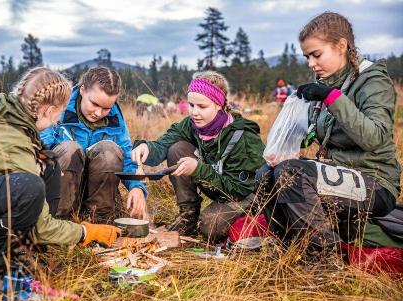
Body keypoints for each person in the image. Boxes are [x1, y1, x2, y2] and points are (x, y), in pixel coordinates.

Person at [0, 67, 120, 293]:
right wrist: (85, 232)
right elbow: (40, 226)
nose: (58, 119)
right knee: (27, 186)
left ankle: (27, 250)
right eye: (60, 112)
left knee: (48, 159)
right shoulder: (12, 141)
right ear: (47, 110)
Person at [256, 12, 402, 261]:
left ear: (342, 46)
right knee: (266, 174)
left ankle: (324, 261)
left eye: (317, 55)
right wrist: (292, 141)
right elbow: (322, 133)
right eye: (307, 57)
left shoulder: (373, 81)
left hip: (375, 182)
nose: (311, 64)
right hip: (339, 176)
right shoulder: (328, 84)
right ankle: (291, 249)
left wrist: (330, 98)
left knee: (292, 174)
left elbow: (375, 138)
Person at [132, 71, 265, 241]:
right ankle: (188, 215)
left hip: (247, 195)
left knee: (209, 227)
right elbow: (163, 145)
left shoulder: (242, 136)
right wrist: (146, 148)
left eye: (202, 107)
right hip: (218, 188)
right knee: (177, 148)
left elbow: (239, 189)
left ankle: (254, 221)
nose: (194, 112)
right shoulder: (191, 124)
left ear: (219, 105)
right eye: (191, 105)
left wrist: (198, 169)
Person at [40, 67, 147, 223]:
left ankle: (99, 220)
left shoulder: (115, 120)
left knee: (109, 150)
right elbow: (41, 147)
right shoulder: (58, 109)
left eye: (106, 108)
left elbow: (128, 158)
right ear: (82, 90)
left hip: (99, 195)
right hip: (61, 189)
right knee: (70, 148)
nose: (98, 113)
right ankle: (59, 220)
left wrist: (136, 186)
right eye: (94, 104)